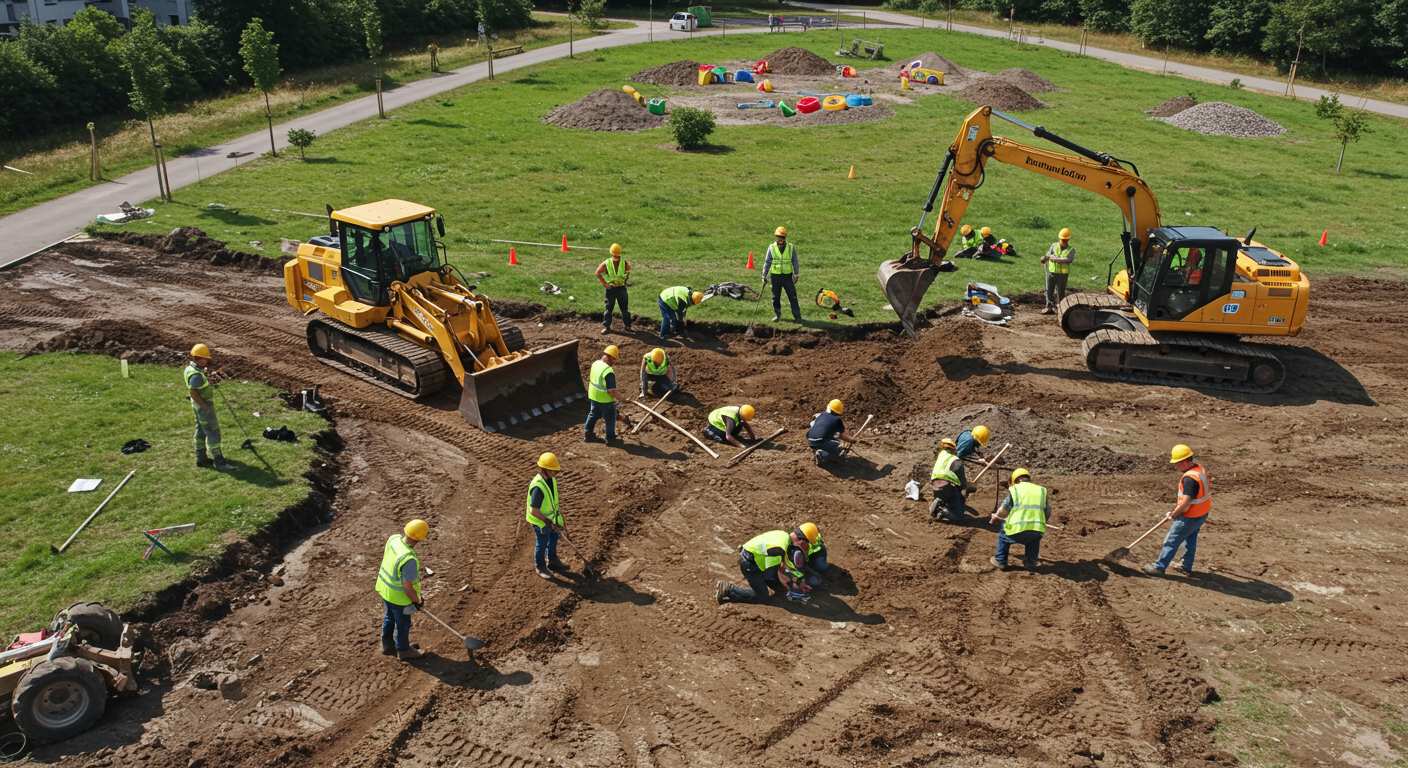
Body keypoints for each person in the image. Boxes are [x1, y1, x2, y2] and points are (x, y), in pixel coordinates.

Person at [1143, 444, 1212, 577]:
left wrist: (1174, 514)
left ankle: (1159, 567)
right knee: (1190, 539)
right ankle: (1185, 566)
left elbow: (1186, 503)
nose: (1176, 466)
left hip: (1190, 516)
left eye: (1177, 463)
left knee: (1171, 540)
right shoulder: (1199, 469)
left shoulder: (1189, 479)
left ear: (1185, 461)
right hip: (1202, 513)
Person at [375, 519, 428, 660]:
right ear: (420, 538)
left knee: (389, 617)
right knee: (403, 624)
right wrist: (417, 600)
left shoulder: (394, 539)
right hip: (399, 598)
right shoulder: (409, 559)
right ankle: (403, 650)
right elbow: (407, 587)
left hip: (385, 590)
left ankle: (387, 645)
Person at [714, 528, 812, 603]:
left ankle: (766, 578)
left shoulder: (783, 535)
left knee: (781, 589)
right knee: (762, 597)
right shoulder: (780, 548)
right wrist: (796, 581)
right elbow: (783, 568)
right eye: (808, 545)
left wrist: (799, 581)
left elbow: (783, 566)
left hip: (755, 558)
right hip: (751, 565)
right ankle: (728, 589)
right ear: (802, 541)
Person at [989, 468, 1051, 570]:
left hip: (1017, 530)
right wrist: (1042, 522)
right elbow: (1047, 511)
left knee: (1003, 534)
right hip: (1037, 529)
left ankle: (1000, 560)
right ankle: (1031, 563)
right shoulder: (1041, 490)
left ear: (1015, 480)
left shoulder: (1016, 489)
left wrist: (996, 516)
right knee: (1034, 540)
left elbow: (1004, 509)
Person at [185, 343, 229, 470]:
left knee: (200, 431)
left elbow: (198, 387)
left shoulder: (191, 369)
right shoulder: (196, 375)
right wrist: (205, 407)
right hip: (203, 406)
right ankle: (219, 462)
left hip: (197, 406)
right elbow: (193, 391)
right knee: (213, 432)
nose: (207, 361)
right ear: (198, 358)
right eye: (205, 358)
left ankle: (201, 458)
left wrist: (208, 380)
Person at [526, 452, 566, 580]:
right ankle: (540, 566)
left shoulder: (551, 479)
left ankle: (552, 560)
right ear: (545, 469)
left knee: (554, 537)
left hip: (551, 519)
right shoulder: (538, 487)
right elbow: (534, 511)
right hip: (540, 521)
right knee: (542, 543)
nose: (556, 473)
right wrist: (548, 522)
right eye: (554, 471)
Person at [761, 226, 802, 323]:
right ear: (776, 237)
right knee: (775, 297)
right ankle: (777, 315)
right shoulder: (771, 247)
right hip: (775, 277)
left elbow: (795, 261)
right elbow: (767, 262)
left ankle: (797, 317)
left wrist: (796, 274)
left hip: (787, 277)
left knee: (793, 297)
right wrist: (764, 275)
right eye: (779, 237)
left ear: (785, 238)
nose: (781, 239)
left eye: (782, 237)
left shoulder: (791, 247)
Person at [929, 438, 972, 523]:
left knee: (948, 497)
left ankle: (939, 503)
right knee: (959, 516)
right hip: (947, 486)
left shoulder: (940, 456)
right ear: (953, 449)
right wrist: (965, 488)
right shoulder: (955, 460)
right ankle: (942, 510)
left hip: (935, 484)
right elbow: (962, 481)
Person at [584, 344, 621, 444]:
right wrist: (621, 398)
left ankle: (588, 435)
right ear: (610, 357)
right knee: (610, 418)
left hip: (593, 396)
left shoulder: (595, 363)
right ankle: (610, 438)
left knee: (593, 414)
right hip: (605, 400)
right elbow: (611, 391)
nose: (614, 362)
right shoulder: (608, 371)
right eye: (614, 359)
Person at [596, 243, 632, 334]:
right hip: (616, 288)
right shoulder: (624, 263)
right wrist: (605, 284)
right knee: (619, 309)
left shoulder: (611, 263)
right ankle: (625, 327)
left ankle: (609, 327)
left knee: (614, 309)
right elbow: (597, 273)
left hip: (615, 288)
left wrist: (605, 284)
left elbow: (597, 273)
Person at [1041, 227, 1075, 314]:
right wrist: (1045, 258)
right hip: (1052, 273)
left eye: (1065, 240)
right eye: (1063, 239)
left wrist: (1056, 259)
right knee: (1049, 290)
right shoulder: (1054, 246)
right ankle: (1049, 306)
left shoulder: (1071, 250)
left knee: (1060, 292)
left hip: (1062, 275)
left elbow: (1068, 260)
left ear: (1068, 240)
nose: (1064, 241)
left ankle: (1060, 308)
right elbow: (1048, 255)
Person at [807, 399, 850, 465]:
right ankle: (822, 454)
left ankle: (815, 449)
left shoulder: (821, 415)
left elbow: (812, 424)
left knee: (832, 437)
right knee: (840, 450)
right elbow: (842, 436)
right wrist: (851, 440)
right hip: (820, 441)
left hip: (810, 439)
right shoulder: (837, 420)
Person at [795, 521, 828, 588]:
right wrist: (812, 572)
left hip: (813, 556)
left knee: (822, 567)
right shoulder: (794, 552)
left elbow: (820, 545)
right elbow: (799, 568)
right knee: (815, 581)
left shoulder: (813, 536)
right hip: (799, 567)